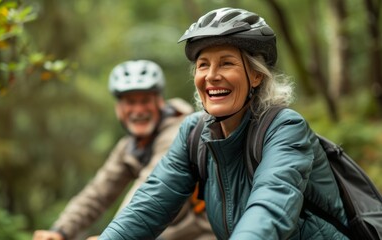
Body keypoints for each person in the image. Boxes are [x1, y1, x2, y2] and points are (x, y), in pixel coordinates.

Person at [97, 8, 349, 239]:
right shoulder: (193, 134)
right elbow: (149, 206)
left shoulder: (284, 128)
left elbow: (270, 209)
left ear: (256, 75)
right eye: (203, 65)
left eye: (226, 63)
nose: (211, 76)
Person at [32, 60, 215, 240]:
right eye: (130, 102)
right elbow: (97, 194)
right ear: (118, 108)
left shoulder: (177, 133)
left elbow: (150, 193)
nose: (138, 110)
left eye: (145, 100)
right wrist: (60, 231)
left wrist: (113, 236)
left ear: (160, 102)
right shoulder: (130, 147)